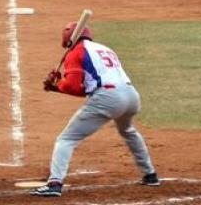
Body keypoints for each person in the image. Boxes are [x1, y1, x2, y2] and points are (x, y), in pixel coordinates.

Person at [30, 22, 159, 197]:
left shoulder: (75, 52)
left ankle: (54, 184)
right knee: (128, 130)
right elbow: (88, 86)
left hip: (109, 97)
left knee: (66, 139)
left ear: (67, 39)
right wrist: (57, 86)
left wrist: (56, 86)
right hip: (131, 96)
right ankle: (150, 174)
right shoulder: (105, 49)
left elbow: (74, 88)